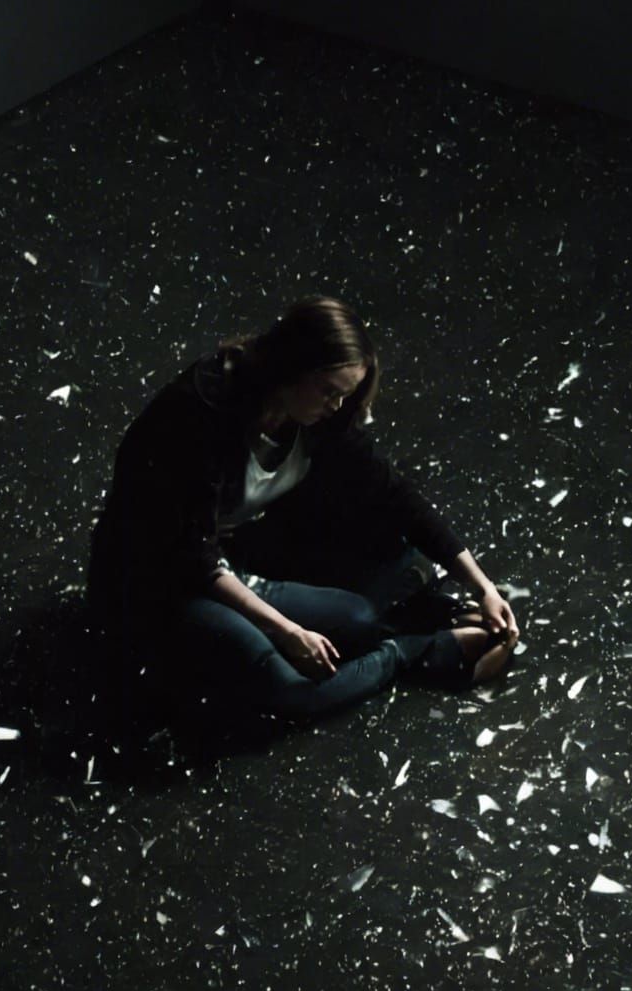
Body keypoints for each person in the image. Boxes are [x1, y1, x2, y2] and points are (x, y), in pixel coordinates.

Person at [85, 295, 520, 728]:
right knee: (284, 685)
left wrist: (482, 586)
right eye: (329, 392)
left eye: (344, 395)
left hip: (223, 558)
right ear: (289, 366)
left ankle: (421, 621)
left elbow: (395, 494)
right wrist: (285, 630)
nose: (336, 406)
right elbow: (190, 557)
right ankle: (408, 654)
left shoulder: (313, 415)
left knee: (358, 619)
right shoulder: (195, 416)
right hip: (153, 584)